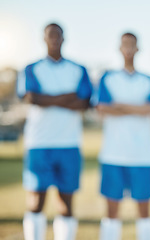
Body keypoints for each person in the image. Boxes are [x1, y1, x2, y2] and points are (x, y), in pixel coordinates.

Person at [17, 23, 93, 240]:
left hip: (69, 143)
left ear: (63, 38)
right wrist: (67, 96)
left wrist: (47, 98)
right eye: (50, 36)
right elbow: (31, 98)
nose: (54, 40)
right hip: (39, 143)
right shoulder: (31, 68)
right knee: (36, 201)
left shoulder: (78, 69)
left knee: (66, 202)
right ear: (43, 39)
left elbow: (83, 102)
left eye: (57, 36)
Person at [96, 32, 150, 240]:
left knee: (144, 211)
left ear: (138, 48)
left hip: (142, 155)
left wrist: (120, 105)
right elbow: (103, 108)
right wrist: (139, 108)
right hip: (113, 155)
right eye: (125, 45)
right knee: (112, 212)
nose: (128, 49)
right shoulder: (108, 79)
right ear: (119, 48)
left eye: (132, 45)